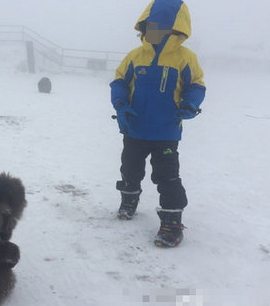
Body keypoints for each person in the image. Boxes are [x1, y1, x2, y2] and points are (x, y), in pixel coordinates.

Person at [110, 0, 206, 248]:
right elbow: (119, 81)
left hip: (166, 131)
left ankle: (172, 223)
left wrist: (190, 103)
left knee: (167, 177)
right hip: (134, 128)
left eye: (160, 26)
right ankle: (129, 200)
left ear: (175, 28)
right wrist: (121, 104)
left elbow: (196, 85)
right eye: (149, 25)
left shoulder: (185, 58)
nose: (153, 30)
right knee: (130, 170)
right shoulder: (134, 56)